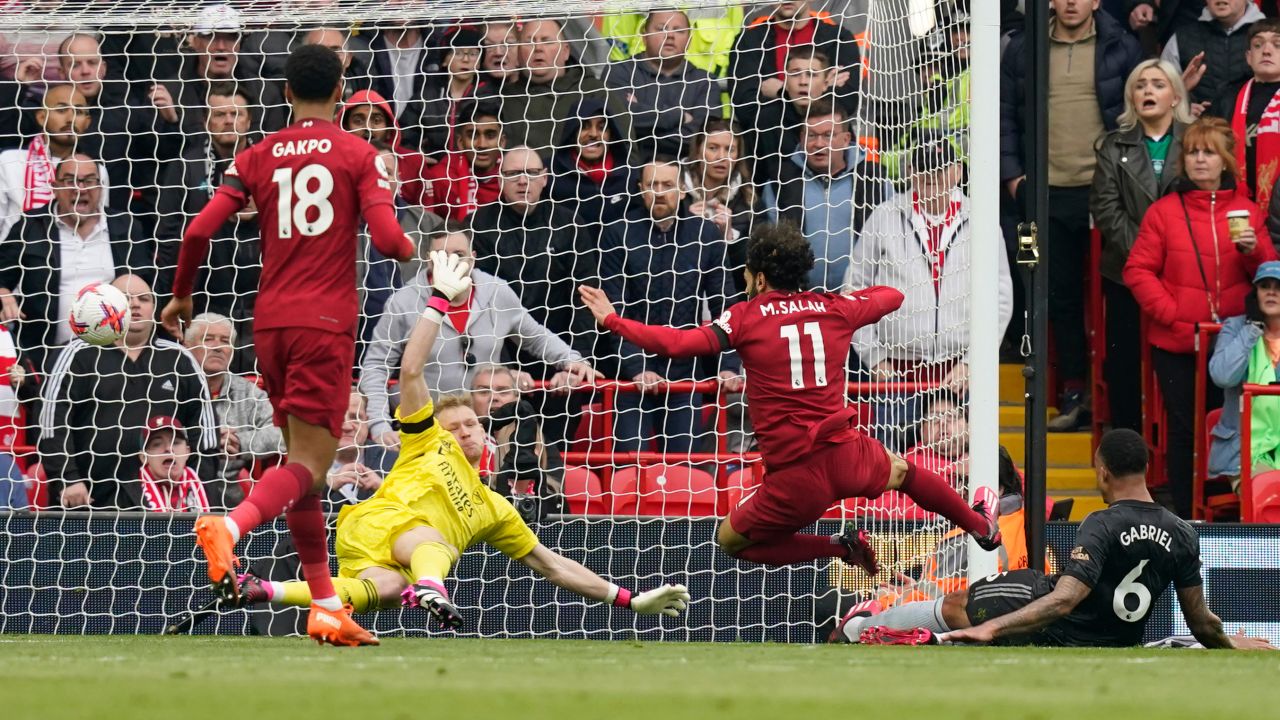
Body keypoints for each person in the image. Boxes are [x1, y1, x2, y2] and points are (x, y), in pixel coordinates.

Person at [234, 251, 690, 628]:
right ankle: (432, 587)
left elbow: (553, 565)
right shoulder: (426, 440)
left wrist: (630, 600)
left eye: (470, 423)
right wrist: (438, 301)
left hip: (378, 555)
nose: (464, 431)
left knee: (386, 592)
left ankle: (262, 589)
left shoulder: (494, 508)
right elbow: (410, 369)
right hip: (378, 522)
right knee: (438, 542)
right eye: (454, 426)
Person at [160, 44, 416, 647]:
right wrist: (421, 255)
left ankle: (325, 606)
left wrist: (181, 297)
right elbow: (388, 241)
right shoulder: (360, 154)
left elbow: (198, 229)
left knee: (302, 468)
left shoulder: (255, 154)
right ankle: (229, 523)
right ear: (342, 89)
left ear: (282, 93)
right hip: (323, 324)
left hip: (268, 323)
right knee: (309, 465)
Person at [580, 222, 1002, 570]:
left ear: (759, 277)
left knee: (731, 542)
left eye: (746, 273)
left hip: (796, 474)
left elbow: (675, 344)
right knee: (904, 471)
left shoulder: (744, 317)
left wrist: (613, 320)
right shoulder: (832, 308)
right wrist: (846, 301)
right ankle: (981, 527)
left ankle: (840, 549)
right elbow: (892, 296)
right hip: (845, 452)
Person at [842, 429, 1275, 651]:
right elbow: (1200, 621)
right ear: (1145, 467)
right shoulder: (1183, 533)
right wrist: (1230, 643)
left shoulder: (1101, 523)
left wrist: (991, 628)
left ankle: (862, 625)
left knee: (963, 607)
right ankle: (887, 626)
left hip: (1058, 623)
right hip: (1103, 638)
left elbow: (1064, 598)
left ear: (1102, 470)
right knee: (965, 609)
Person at [1125, 117, 1277, 518]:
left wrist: (1253, 252)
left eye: (1208, 152)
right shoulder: (1163, 212)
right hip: (1177, 340)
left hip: (1233, 345)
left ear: (1225, 160)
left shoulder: (1247, 211)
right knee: (1183, 429)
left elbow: (1269, 280)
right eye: (1192, 152)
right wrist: (1172, 314)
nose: (1199, 160)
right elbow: (1137, 271)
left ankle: (1227, 510)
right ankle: (1183, 513)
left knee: (1232, 426)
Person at [1002, 0, 1142, 430]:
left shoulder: (1122, 44)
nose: (1070, 3)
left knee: (1110, 297)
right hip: (1042, 193)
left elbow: (1135, 114)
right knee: (1053, 293)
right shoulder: (1022, 48)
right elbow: (1005, 116)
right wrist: (1013, 177)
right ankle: (1072, 390)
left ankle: (1115, 404)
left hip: (1103, 192)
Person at [361, 224, 595, 451]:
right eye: (442, 256)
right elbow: (375, 366)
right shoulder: (403, 302)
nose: (452, 262)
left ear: (472, 257)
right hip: (428, 432)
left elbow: (536, 337)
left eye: (459, 254)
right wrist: (380, 425)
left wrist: (571, 359)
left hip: (488, 431)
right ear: (428, 260)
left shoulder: (497, 292)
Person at [846, 131, 1012, 446]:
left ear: (957, 171)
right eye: (923, 168)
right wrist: (875, 358)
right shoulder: (885, 216)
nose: (931, 176)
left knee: (964, 470)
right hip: (896, 373)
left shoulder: (981, 218)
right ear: (910, 171)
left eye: (939, 168)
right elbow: (855, 291)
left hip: (959, 373)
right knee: (889, 470)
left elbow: (1001, 298)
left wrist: (971, 363)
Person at [39, 274, 220, 510]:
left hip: (167, 505)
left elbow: (204, 433)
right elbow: (52, 423)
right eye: (125, 298)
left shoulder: (179, 358)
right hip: (91, 501)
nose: (135, 304)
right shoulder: (78, 353)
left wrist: (198, 488)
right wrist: (68, 478)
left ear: (155, 308)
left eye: (144, 299)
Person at [598, 157, 741, 455]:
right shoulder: (617, 233)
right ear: (640, 189)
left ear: (682, 190)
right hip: (629, 376)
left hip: (686, 372)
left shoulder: (704, 235)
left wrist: (728, 367)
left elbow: (724, 304)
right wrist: (637, 368)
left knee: (684, 473)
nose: (660, 192)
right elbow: (614, 308)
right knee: (631, 469)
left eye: (667, 185)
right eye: (652, 185)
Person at [1089, 59, 1193, 433]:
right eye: (1141, 85)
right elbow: (1106, 209)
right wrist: (1150, 260)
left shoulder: (1197, 141)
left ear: (1176, 95)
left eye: (1158, 84)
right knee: (1125, 366)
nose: (1148, 91)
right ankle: (1128, 453)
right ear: (1131, 97)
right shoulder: (1112, 146)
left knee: (1180, 370)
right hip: (1127, 275)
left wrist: (1172, 257)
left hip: (1185, 275)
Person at [0, 151, 150, 374]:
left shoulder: (125, 226)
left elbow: (147, 284)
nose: (80, 188)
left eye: (89, 181)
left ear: (100, 187)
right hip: (45, 357)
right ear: (54, 186)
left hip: (112, 358)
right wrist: (3, 292)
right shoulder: (31, 226)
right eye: (70, 181)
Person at [154, 83, 260, 359]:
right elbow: (168, 233)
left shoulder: (268, 164)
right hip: (204, 296)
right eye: (220, 114)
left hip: (260, 296)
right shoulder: (186, 166)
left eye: (236, 114)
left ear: (249, 120)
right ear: (206, 121)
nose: (228, 121)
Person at [761, 101, 889, 291]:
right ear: (802, 138)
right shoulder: (780, 182)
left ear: (846, 139)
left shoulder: (874, 180)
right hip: (798, 301)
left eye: (828, 135)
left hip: (860, 300)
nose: (818, 144)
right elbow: (766, 245)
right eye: (812, 135)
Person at [183, 312, 284, 502]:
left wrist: (240, 442)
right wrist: (208, 440)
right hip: (179, 487)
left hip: (233, 496)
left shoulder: (247, 392)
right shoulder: (173, 386)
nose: (218, 347)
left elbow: (282, 433)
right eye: (208, 339)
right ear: (187, 347)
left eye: (225, 341)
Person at [728, 1, 860, 142]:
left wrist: (782, 91)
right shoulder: (749, 42)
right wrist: (818, 91)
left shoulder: (838, 39)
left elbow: (846, 102)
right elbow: (746, 108)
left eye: (812, 74)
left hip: (829, 148)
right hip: (771, 146)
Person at [498, 18, 632, 154]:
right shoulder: (503, 99)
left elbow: (628, 149)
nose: (538, 48)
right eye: (530, 42)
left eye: (547, 41)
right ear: (519, 52)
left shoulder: (594, 92)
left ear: (566, 51)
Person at [600, 10, 720, 159]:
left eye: (679, 30)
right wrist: (679, 116)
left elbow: (702, 139)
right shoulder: (619, 72)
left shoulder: (705, 82)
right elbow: (617, 121)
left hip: (686, 175)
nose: (670, 35)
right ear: (644, 37)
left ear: (689, 41)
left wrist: (639, 130)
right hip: (630, 171)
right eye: (661, 28)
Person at [1208, 261, 1280, 481]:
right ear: (1255, 293)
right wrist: (1252, 330)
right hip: (1244, 451)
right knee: (1271, 491)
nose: (1271, 292)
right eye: (1264, 286)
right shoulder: (1237, 327)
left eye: (1279, 287)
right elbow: (1222, 376)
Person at [0, 83, 99, 239]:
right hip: (15, 257)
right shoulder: (9, 161)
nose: (70, 119)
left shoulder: (96, 171)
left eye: (78, 112)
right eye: (61, 110)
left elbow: (96, 227)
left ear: (87, 122)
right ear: (41, 117)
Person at [682, 118, 763, 292]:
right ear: (697, 151)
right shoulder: (674, 191)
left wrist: (730, 238)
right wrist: (685, 225)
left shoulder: (749, 200)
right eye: (713, 148)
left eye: (730, 149)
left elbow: (754, 272)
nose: (722, 157)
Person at [1208, 18, 1280, 207]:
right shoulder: (1227, 98)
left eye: (1277, 44)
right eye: (1258, 45)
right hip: (1235, 206)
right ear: (1249, 56)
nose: (1266, 50)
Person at [545, 98, 637, 231]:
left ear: (611, 135)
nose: (593, 134)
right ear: (572, 133)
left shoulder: (631, 176)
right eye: (584, 126)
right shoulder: (549, 174)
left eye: (601, 127)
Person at [1162, 0, 1262, 108]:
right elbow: (1161, 95)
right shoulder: (1181, 38)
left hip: (1259, 122)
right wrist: (1184, 109)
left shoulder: (1272, 35)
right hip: (1196, 123)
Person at [421, 99, 503, 221]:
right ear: (460, 142)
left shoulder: (514, 177)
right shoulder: (441, 178)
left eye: (490, 135)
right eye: (473, 135)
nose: (482, 144)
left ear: (502, 142)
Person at [136, 416, 212, 513]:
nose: (168, 448)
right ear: (143, 457)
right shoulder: (125, 498)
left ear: (187, 452)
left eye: (175, 442)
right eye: (157, 444)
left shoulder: (210, 491)